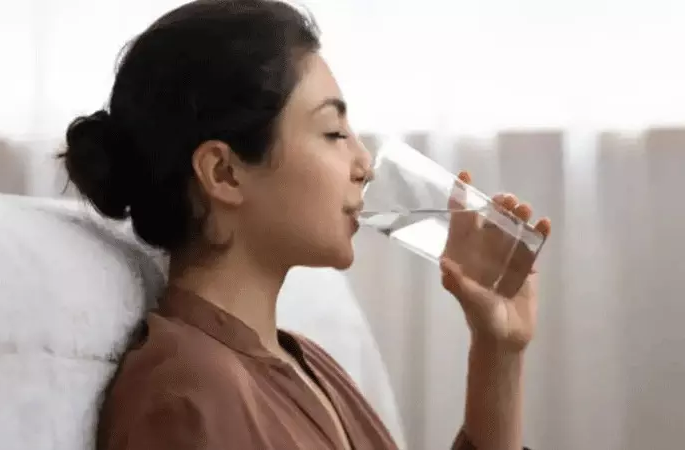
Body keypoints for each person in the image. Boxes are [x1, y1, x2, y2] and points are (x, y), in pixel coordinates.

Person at [60, 1, 551, 449]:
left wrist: (498, 350)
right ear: (224, 173)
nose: (365, 164)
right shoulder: (185, 398)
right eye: (334, 132)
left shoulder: (307, 365)